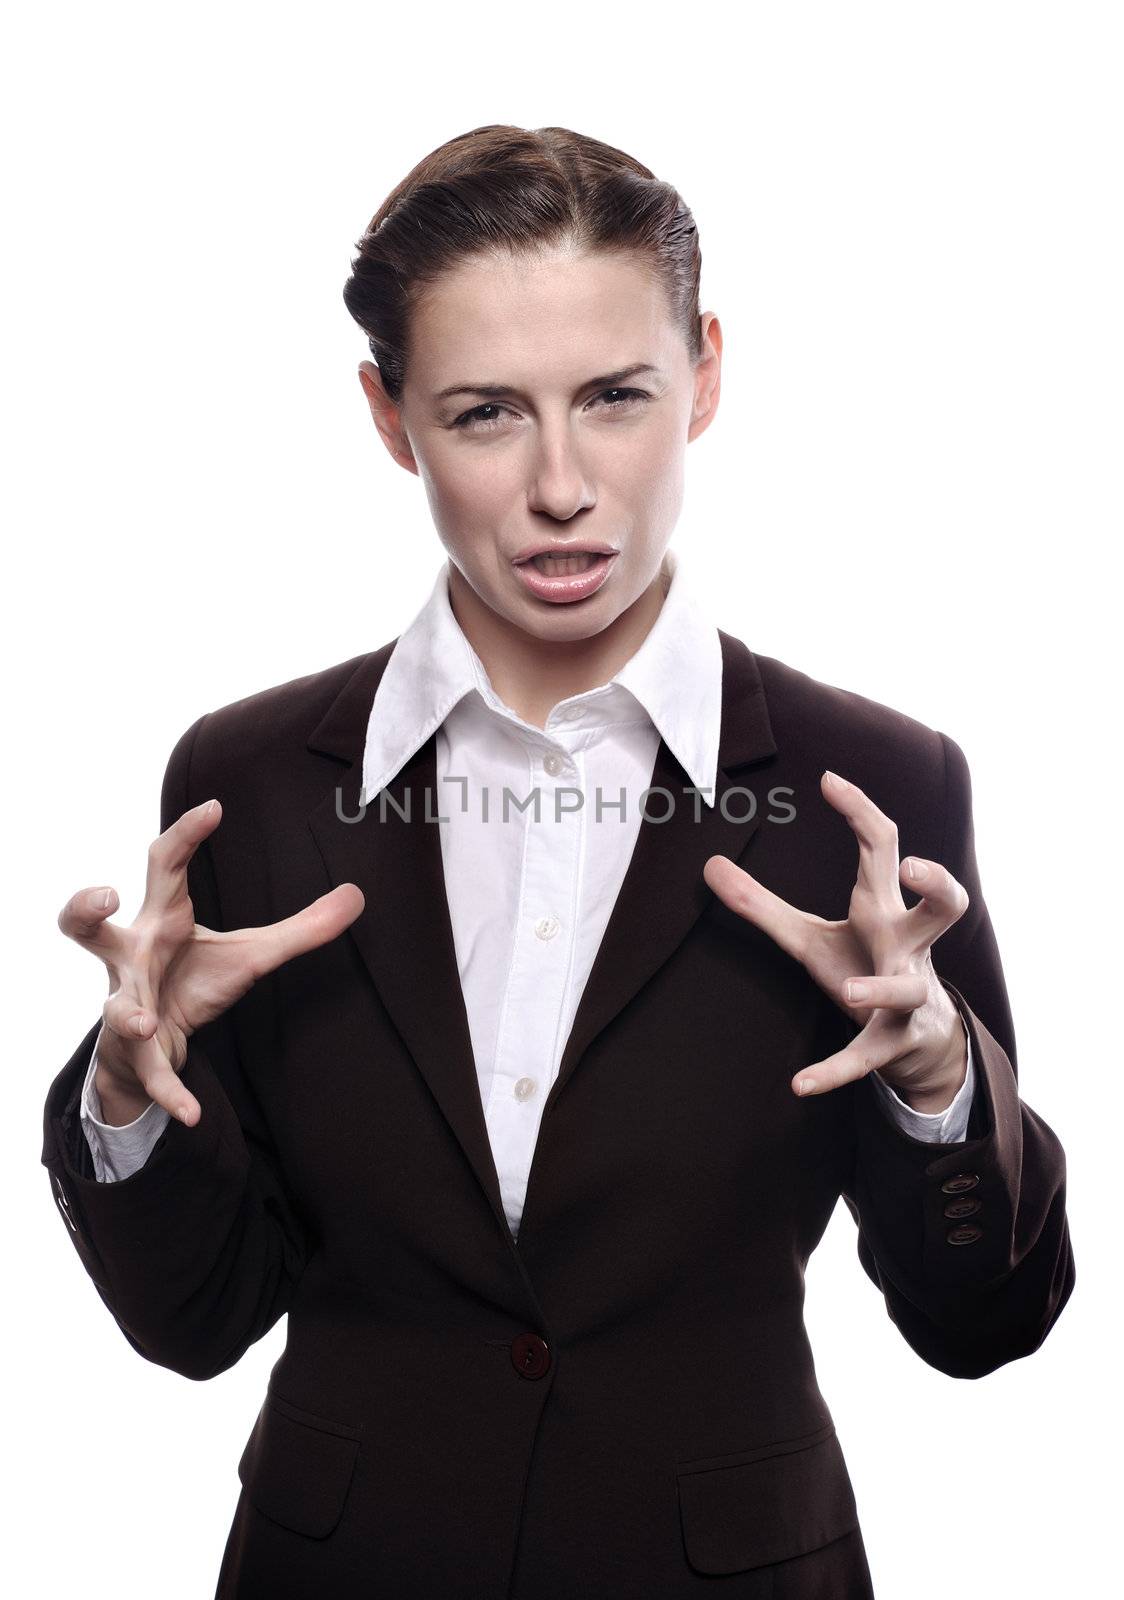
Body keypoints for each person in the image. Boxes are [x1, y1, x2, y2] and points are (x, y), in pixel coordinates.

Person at [42, 124, 1075, 1599]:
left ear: (705, 373)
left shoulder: (879, 789)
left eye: (616, 398)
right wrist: (131, 1104)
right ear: (390, 416)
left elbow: (985, 1325)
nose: (563, 486)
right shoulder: (248, 781)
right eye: (483, 413)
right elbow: (197, 1323)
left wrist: (937, 1086)